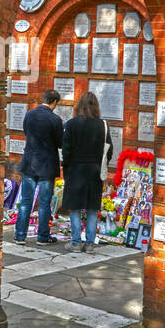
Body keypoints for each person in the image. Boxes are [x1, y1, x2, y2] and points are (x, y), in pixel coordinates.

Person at [62, 91, 112, 252]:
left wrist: (66, 166)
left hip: (75, 170)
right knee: (92, 208)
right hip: (94, 171)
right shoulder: (103, 125)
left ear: (79, 106)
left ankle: (76, 242)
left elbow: (66, 150)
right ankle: (90, 243)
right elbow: (109, 150)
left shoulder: (71, 124)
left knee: (74, 207)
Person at [13, 89, 64, 245]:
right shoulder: (55, 119)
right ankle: (42, 237)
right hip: (46, 166)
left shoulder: (29, 114)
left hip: (29, 162)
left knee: (26, 201)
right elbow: (60, 143)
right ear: (54, 102)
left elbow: (26, 133)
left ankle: (20, 235)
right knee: (44, 202)